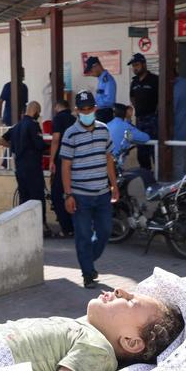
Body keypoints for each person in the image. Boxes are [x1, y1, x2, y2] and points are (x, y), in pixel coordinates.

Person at [0, 286, 183, 371]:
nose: (120, 291)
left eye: (129, 301)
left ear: (131, 342)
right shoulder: (85, 327)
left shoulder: (99, 351)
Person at [59, 91, 119, 289]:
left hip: (102, 194)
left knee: (105, 232)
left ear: (95, 108)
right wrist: (68, 194)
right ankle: (87, 272)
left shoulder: (104, 130)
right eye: (82, 109)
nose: (86, 112)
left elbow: (109, 159)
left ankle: (88, 261)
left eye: (89, 108)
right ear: (76, 111)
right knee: (83, 235)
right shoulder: (70, 134)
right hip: (80, 195)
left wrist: (114, 185)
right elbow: (65, 166)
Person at [0, 101, 48, 232]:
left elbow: (1, 140)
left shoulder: (17, 126)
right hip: (33, 168)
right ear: (36, 111)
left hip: (20, 169)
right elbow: (39, 145)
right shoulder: (33, 125)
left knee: (24, 198)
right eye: (39, 111)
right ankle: (41, 226)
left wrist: (14, 146)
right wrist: (50, 147)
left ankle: (25, 226)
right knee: (37, 198)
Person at [48, 98, 76, 238]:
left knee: (57, 194)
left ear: (57, 107)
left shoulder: (58, 119)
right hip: (75, 161)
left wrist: (51, 160)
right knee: (72, 192)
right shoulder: (74, 119)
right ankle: (74, 225)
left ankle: (66, 228)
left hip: (62, 160)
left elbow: (55, 140)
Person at [128, 53, 159, 170]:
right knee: (141, 151)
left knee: (155, 150)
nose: (135, 68)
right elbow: (132, 98)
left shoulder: (155, 80)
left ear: (144, 64)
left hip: (153, 120)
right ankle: (146, 176)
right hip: (140, 120)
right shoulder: (134, 82)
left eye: (137, 64)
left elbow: (161, 99)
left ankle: (159, 178)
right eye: (133, 66)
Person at [84, 56, 117, 123]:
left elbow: (109, 101)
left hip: (105, 114)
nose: (90, 74)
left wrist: (95, 106)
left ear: (96, 66)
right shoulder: (101, 80)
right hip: (101, 113)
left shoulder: (107, 80)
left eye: (91, 70)